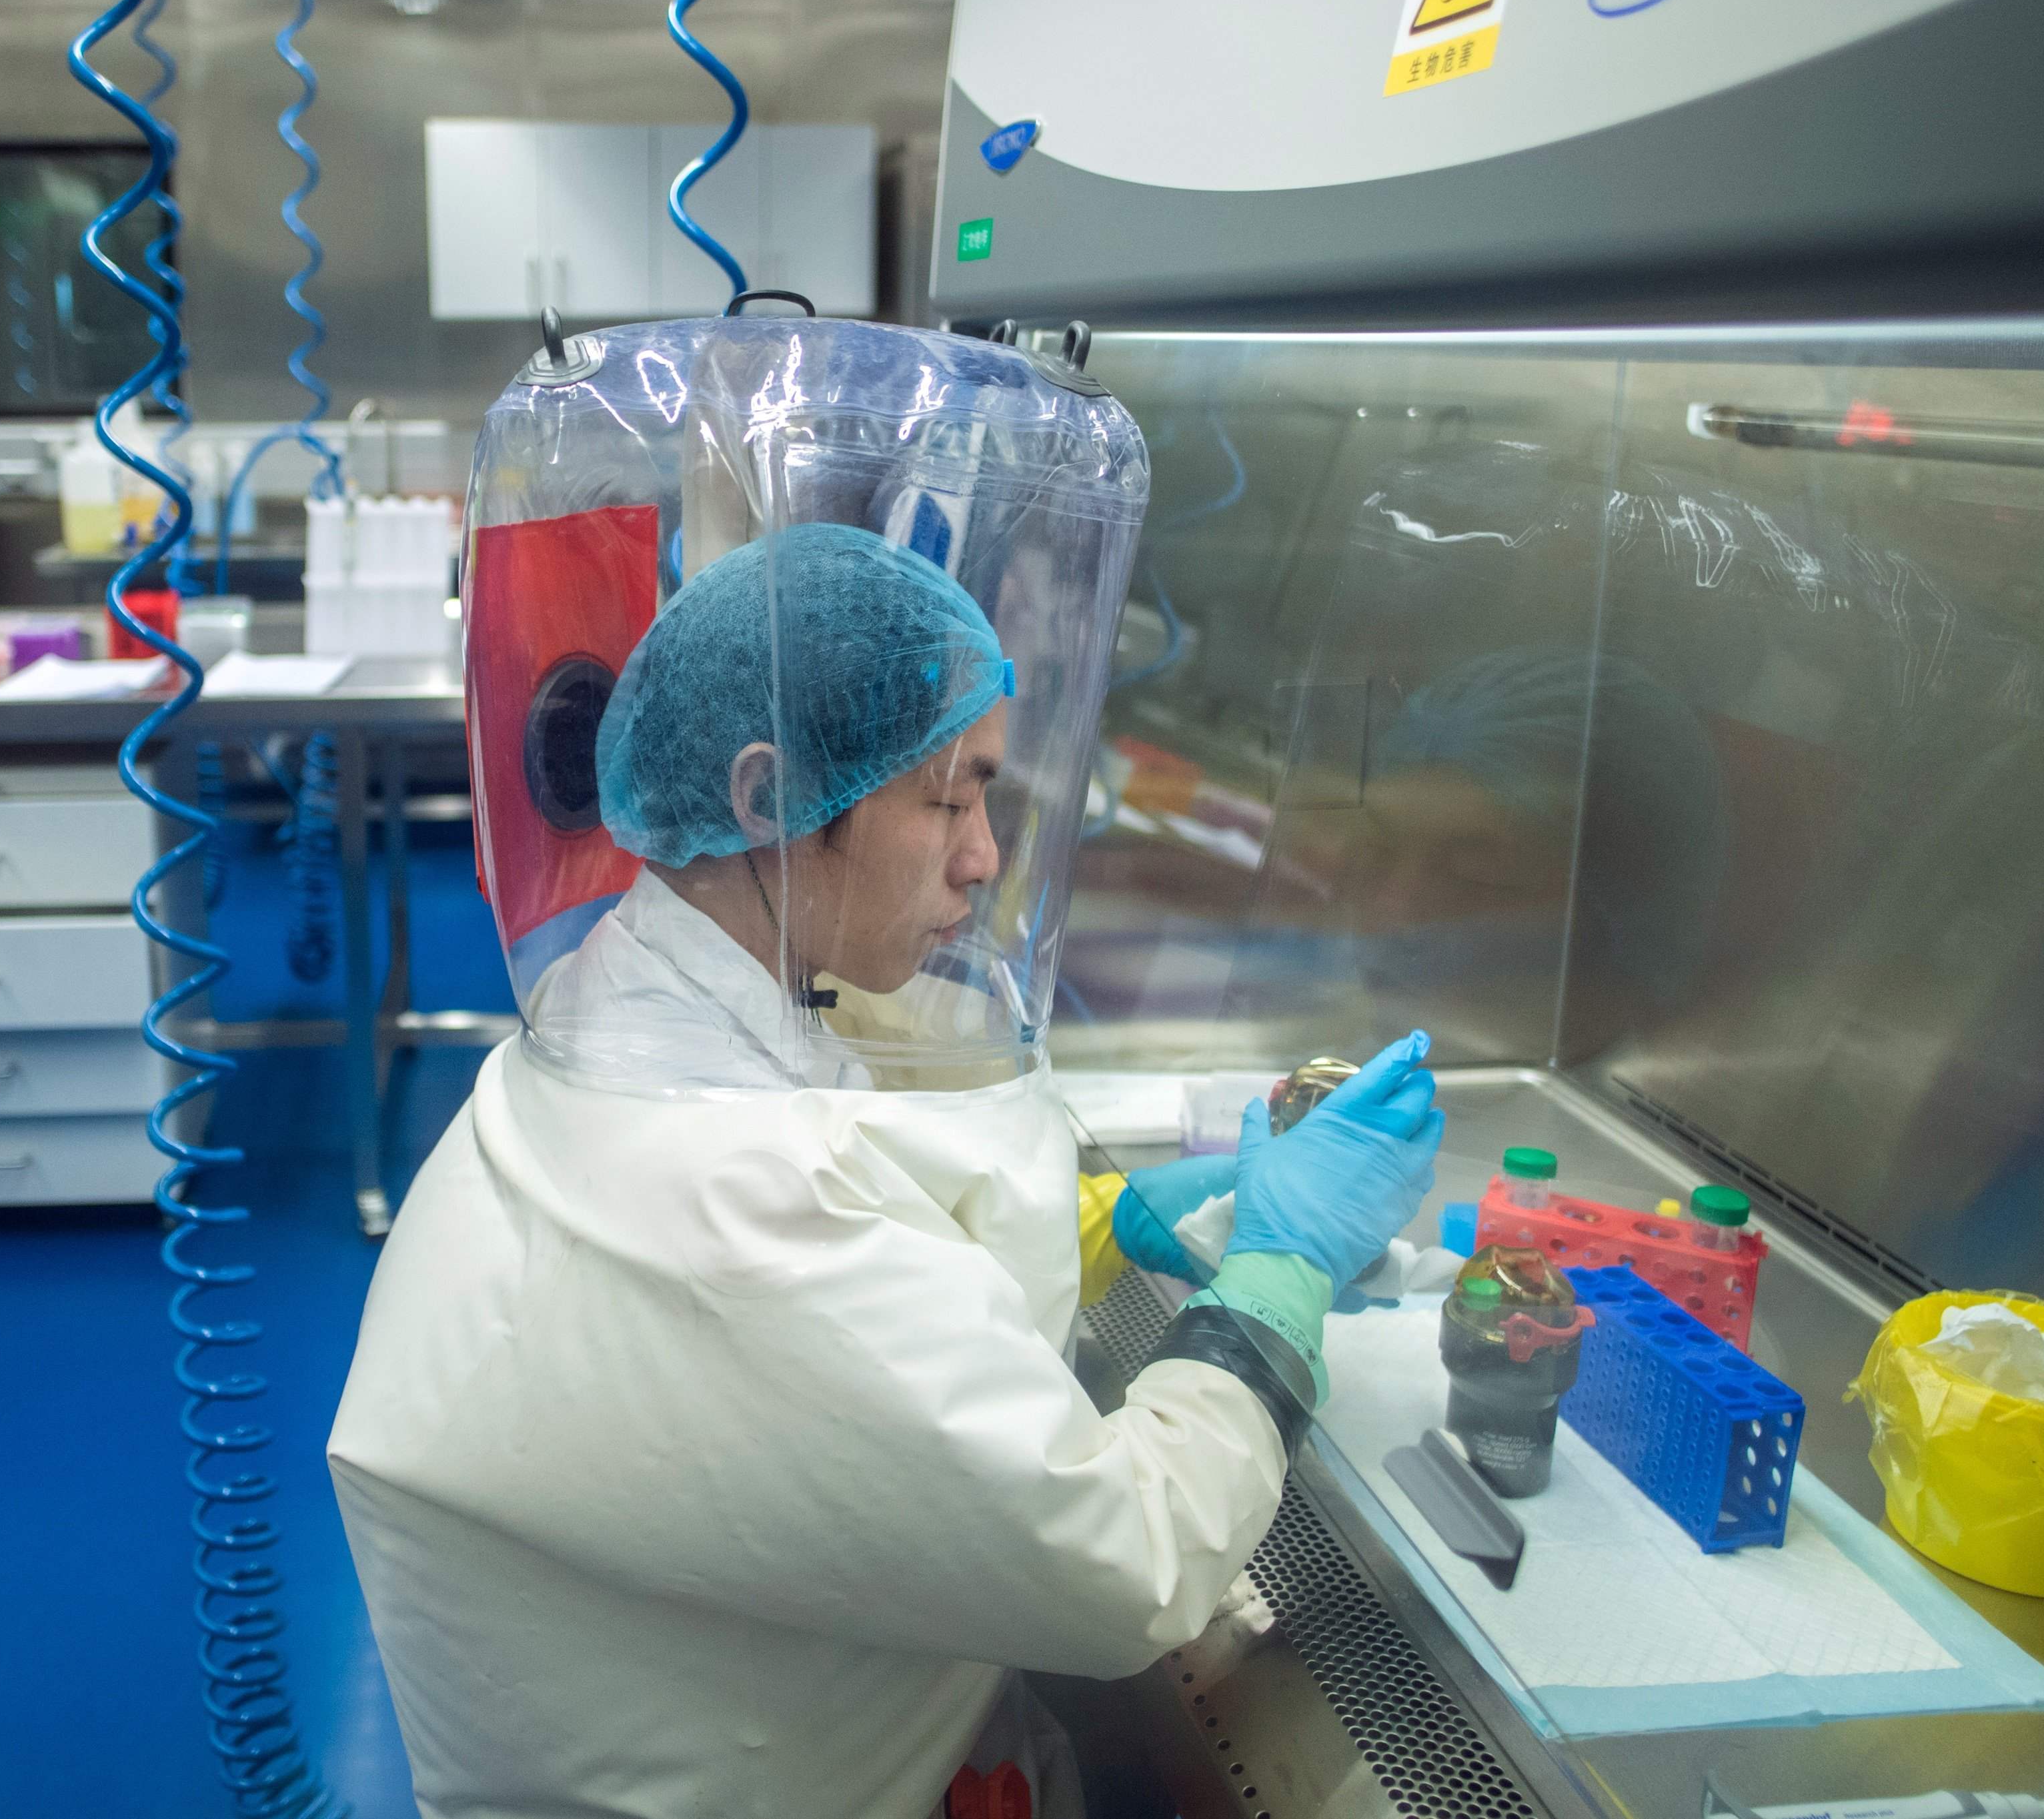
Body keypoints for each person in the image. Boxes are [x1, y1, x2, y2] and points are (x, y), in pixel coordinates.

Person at [331, 326, 1442, 1819]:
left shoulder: (640, 1003)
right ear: (769, 798)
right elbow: (1125, 1563)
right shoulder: (741, 1204)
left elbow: (841, 1189)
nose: (985, 858)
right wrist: (1278, 1279)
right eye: (951, 796)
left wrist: (1111, 1220)